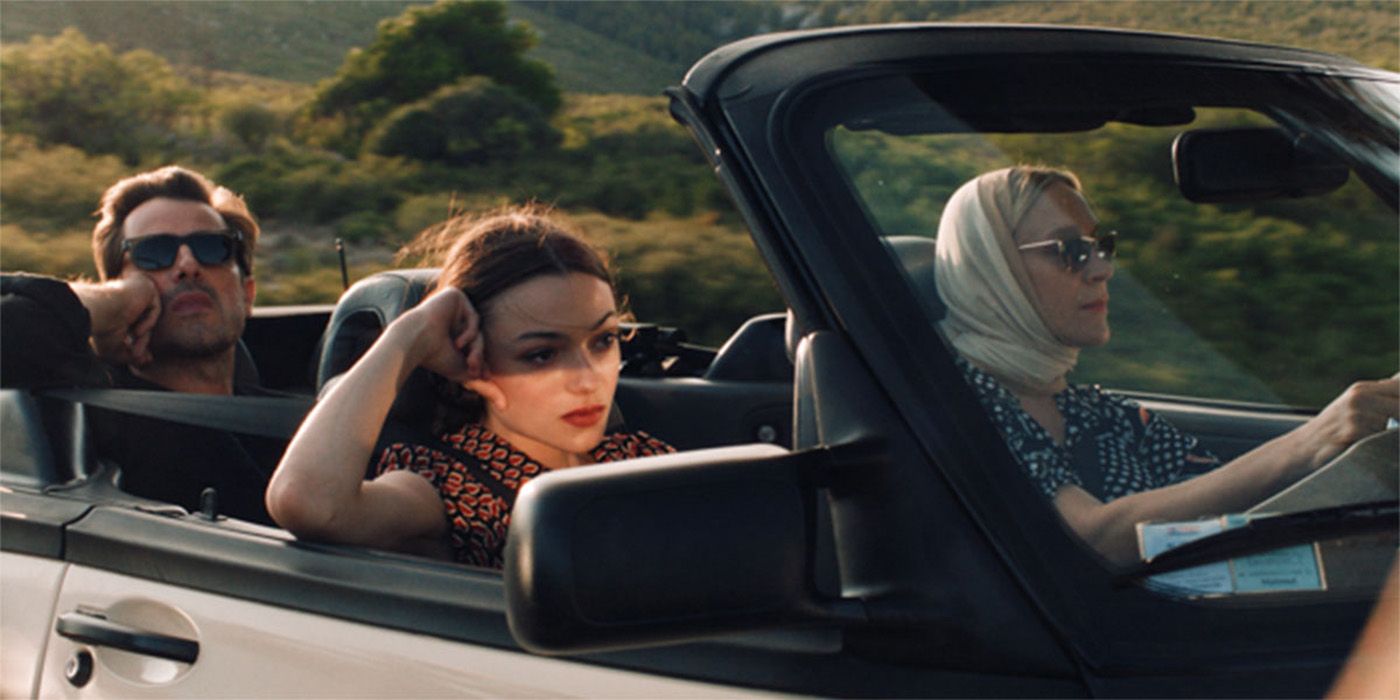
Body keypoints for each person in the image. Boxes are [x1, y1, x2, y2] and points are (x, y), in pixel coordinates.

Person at [932, 166, 1399, 565]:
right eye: (1070, 250)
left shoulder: (1109, 416)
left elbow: (1232, 512)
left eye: (1103, 245)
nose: (1102, 268)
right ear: (992, 269)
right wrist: (1315, 437)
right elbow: (1091, 538)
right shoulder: (959, 403)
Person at [266, 206, 674, 567]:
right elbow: (307, 503)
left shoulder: (633, 456)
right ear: (472, 356)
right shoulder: (449, 485)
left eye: (602, 340)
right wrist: (412, 335)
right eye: (541, 355)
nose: (588, 380)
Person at [1, 165, 285, 524]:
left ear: (247, 295)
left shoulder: (302, 423)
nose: (187, 265)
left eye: (211, 247)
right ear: (119, 289)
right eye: (154, 253)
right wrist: (111, 304)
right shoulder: (97, 419)